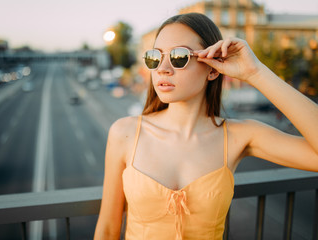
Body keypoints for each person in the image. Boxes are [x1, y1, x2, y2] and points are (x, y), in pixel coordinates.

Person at [94, 12, 318, 240]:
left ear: (213, 69)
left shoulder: (240, 136)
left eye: (178, 56)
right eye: (155, 57)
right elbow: (107, 230)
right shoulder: (125, 132)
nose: (162, 68)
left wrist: (255, 72)